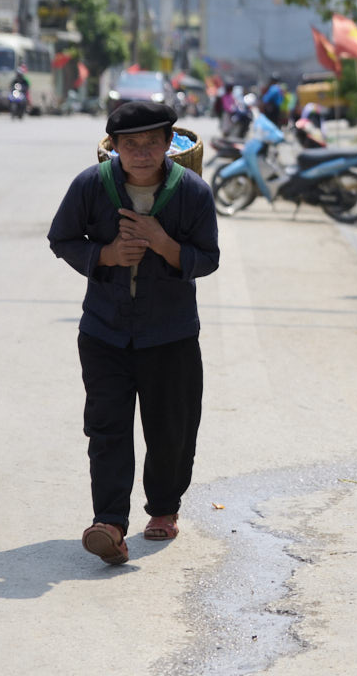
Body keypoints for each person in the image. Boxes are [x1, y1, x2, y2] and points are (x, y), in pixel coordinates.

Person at [47, 101, 220, 565]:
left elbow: (208, 258)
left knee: (171, 428)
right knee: (106, 428)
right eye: (131, 144)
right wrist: (105, 256)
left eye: (151, 143)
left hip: (171, 333)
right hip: (104, 332)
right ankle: (109, 523)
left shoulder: (193, 192)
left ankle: (164, 509)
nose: (141, 153)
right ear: (115, 147)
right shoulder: (90, 185)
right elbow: (61, 237)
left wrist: (163, 244)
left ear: (168, 144)